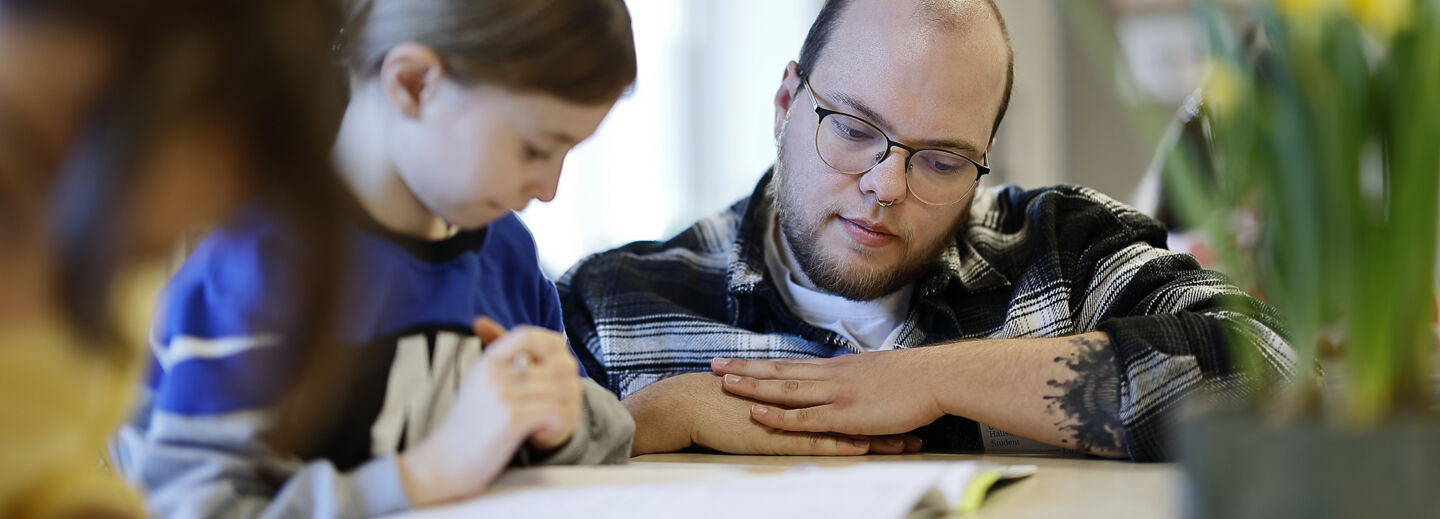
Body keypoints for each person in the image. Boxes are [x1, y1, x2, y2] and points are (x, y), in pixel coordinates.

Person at [559, 0, 1295, 462]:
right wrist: (640, 420)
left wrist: (937, 379)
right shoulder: (613, 307)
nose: (886, 185)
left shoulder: (1065, 255)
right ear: (786, 101)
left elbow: (1273, 368)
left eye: (942, 160)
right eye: (852, 129)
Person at [114, 0, 639, 516]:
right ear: (414, 84)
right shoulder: (259, 262)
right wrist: (424, 476)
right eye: (534, 149)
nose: (549, 188)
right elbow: (192, 504)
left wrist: (559, 426)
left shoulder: (507, 253)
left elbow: (596, 431)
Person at [0, 1, 348, 517]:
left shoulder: (83, 317)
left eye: (127, 262)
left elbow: (37, 450)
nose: (30, 320)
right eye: (2, 205)